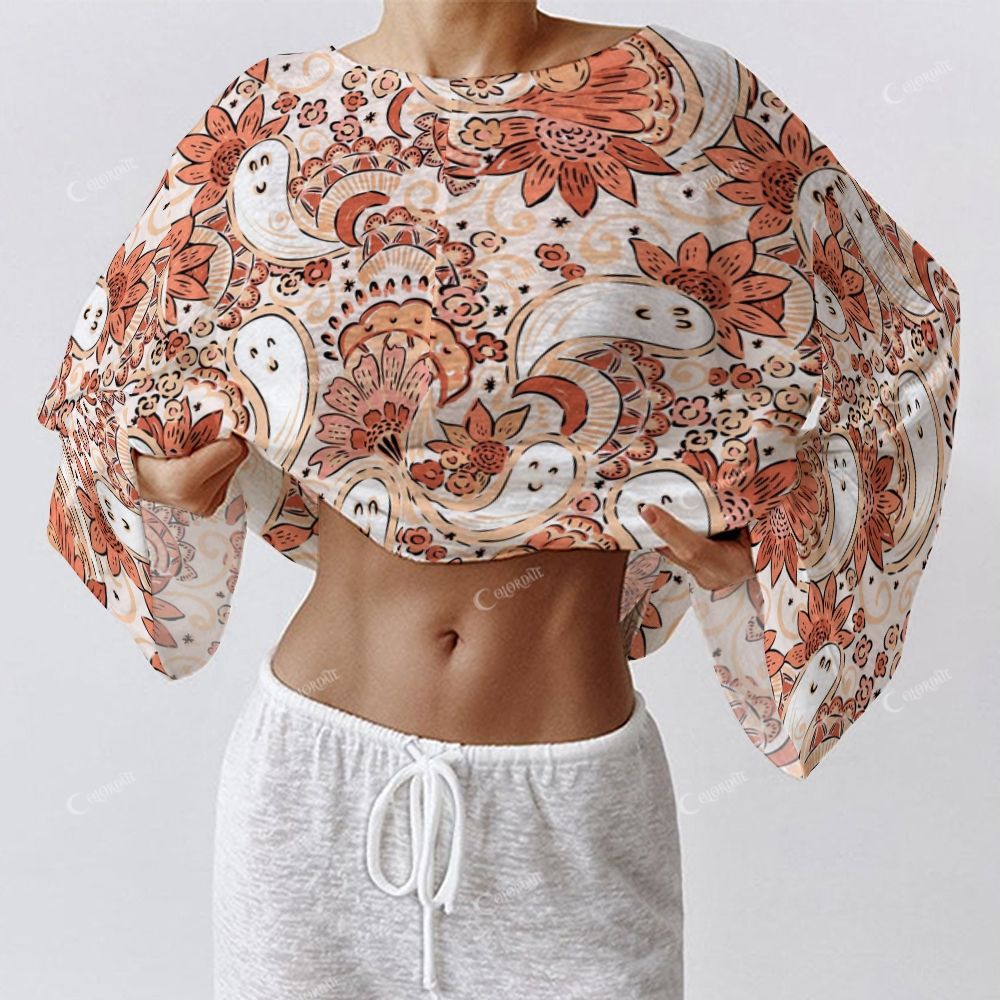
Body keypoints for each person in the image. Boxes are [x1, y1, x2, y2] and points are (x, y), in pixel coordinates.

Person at [35, 1, 960, 997]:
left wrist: (774, 528)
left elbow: (898, 342)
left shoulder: (685, 104)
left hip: (568, 800)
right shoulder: (276, 115)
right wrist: (162, 475)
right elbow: (110, 386)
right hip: (311, 786)